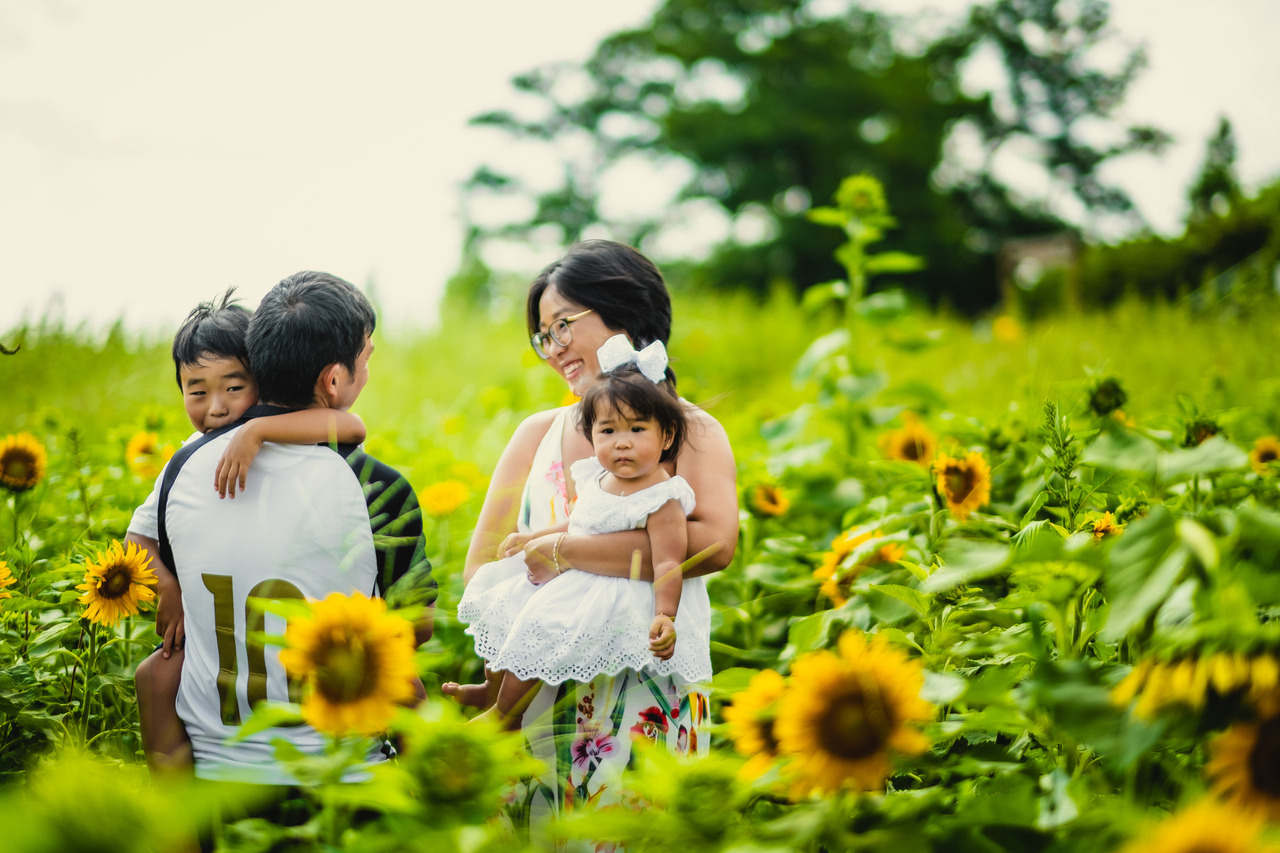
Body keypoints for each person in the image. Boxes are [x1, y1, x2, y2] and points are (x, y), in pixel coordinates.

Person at [445, 240, 738, 826]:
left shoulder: (692, 431)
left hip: (644, 696)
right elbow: (483, 567)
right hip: (535, 697)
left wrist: (568, 550)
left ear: (624, 315)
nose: (553, 349)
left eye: (562, 326)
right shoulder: (536, 433)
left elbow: (712, 542)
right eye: (542, 335)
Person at [140, 271, 433, 795]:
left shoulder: (183, 471)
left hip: (215, 781)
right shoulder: (376, 488)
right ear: (333, 381)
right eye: (366, 357)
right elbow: (417, 628)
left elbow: (142, 549)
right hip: (347, 778)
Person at [128, 290, 368, 778]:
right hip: (215, 629)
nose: (216, 408)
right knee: (154, 679)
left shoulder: (288, 430)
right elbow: (138, 539)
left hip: (267, 630)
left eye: (233, 388)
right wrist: (166, 588)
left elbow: (350, 424)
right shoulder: (189, 455)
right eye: (196, 392)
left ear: (261, 381)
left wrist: (257, 432)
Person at [456, 337, 711, 727]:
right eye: (607, 431)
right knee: (516, 608)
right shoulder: (600, 479)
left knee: (540, 625)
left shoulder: (662, 499)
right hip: (574, 576)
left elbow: (668, 560)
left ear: (667, 437)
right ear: (592, 438)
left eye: (637, 429)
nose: (621, 442)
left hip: (606, 593)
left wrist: (665, 614)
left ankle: (505, 715)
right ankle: (493, 690)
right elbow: (582, 521)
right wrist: (531, 538)